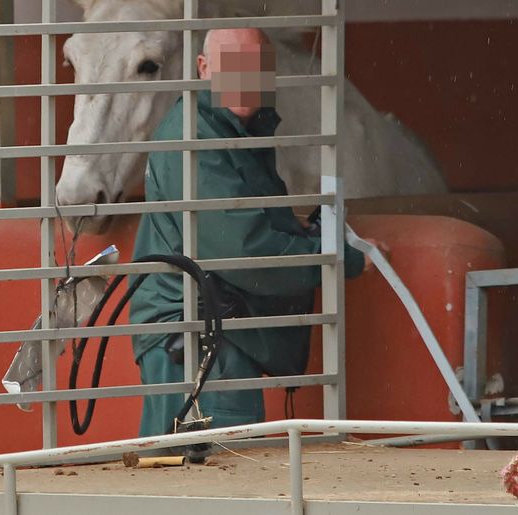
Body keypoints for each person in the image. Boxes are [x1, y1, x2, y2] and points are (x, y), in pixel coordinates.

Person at [129, 27, 371, 437]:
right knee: (221, 472)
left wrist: (298, 229)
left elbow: (241, 219)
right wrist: (337, 258)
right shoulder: (198, 140)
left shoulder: (229, 127)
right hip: (197, 333)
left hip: (210, 328)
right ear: (204, 69)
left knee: (195, 467)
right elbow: (245, 253)